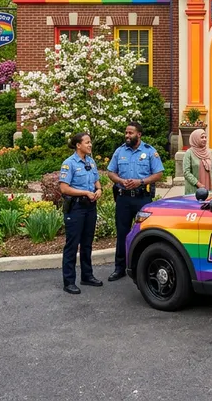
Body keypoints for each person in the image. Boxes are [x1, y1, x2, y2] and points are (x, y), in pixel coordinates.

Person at [106, 121, 164, 282]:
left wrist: (142, 181)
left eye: (130, 133)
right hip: (123, 198)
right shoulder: (120, 151)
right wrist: (120, 180)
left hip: (142, 199)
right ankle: (119, 268)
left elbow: (158, 173)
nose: (127, 135)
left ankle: (141, 267)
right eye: (126, 132)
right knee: (122, 233)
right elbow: (111, 172)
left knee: (143, 233)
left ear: (139, 134)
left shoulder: (150, 151)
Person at [59, 133, 103, 295]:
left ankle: (87, 275)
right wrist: (85, 192)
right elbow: (64, 188)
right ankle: (69, 281)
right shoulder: (69, 164)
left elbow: (96, 181)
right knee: (72, 245)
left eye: (90, 142)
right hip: (76, 208)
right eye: (87, 142)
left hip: (90, 207)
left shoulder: (91, 162)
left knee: (87, 243)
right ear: (78, 145)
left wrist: (98, 190)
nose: (90, 145)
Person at [182, 128, 212, 195]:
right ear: (195, 139)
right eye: (202, 137)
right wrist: (198, 184)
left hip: (208, 187)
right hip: (194, 188)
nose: (204, 139)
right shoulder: (189, 153)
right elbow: (186, 172)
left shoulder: (209, 152)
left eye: (205, 137)